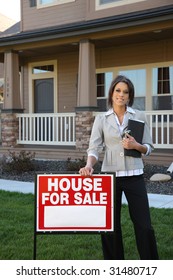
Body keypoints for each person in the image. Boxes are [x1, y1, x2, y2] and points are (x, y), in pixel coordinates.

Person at [79, 75, 159, 260]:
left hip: (135, 176)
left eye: (125, 92)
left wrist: (136, 146)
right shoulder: (101, 119)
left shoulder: (139, 116)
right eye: (118, 91)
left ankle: (152, 267)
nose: (121, 95)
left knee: (144, 226)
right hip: (110, 178)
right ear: (112, 93)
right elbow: (94, 148)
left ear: (129, 96)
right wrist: (89, 165)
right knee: (110, 227)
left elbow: (149, 147)